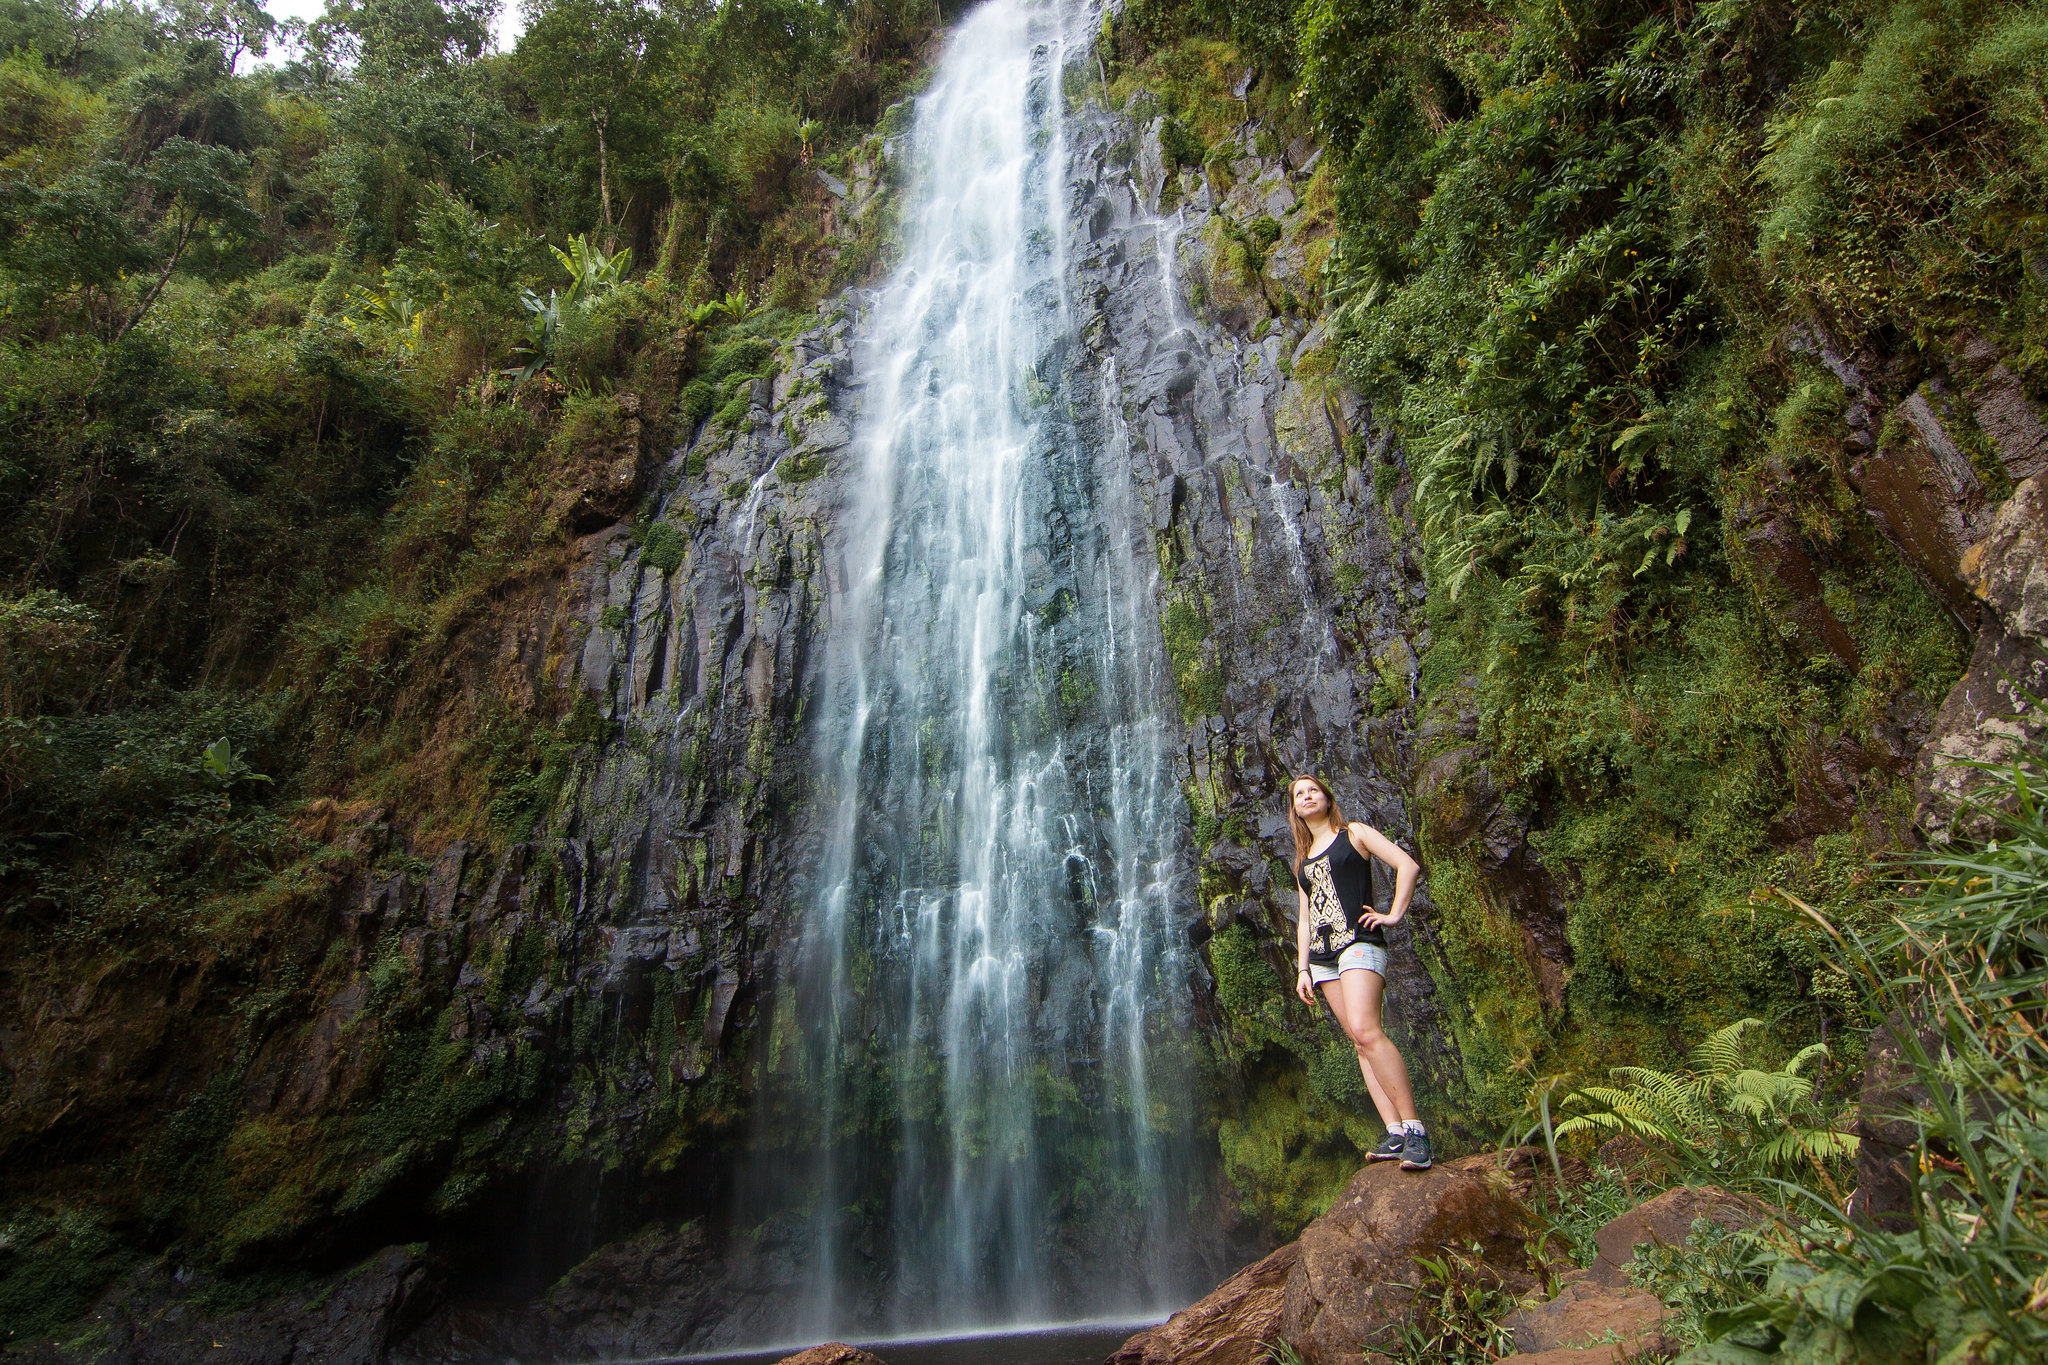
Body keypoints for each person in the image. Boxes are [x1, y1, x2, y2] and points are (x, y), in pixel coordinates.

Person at [1288, 774, 1431, 1170]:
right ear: (1295, 810)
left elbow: (1407, 864)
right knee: (1358, 1042)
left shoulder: (1355, 834)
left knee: (1368, 1031)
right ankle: (1396, 1132)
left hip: (1359, 944)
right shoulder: (1303, 859)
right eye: (1299, 794)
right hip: (1321, 959)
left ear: (1327, 797)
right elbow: (1304, 920)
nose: (1306, 796)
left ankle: (1416, 1130)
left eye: (1312, 789)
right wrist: (1302, 968)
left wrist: (1394, 914)